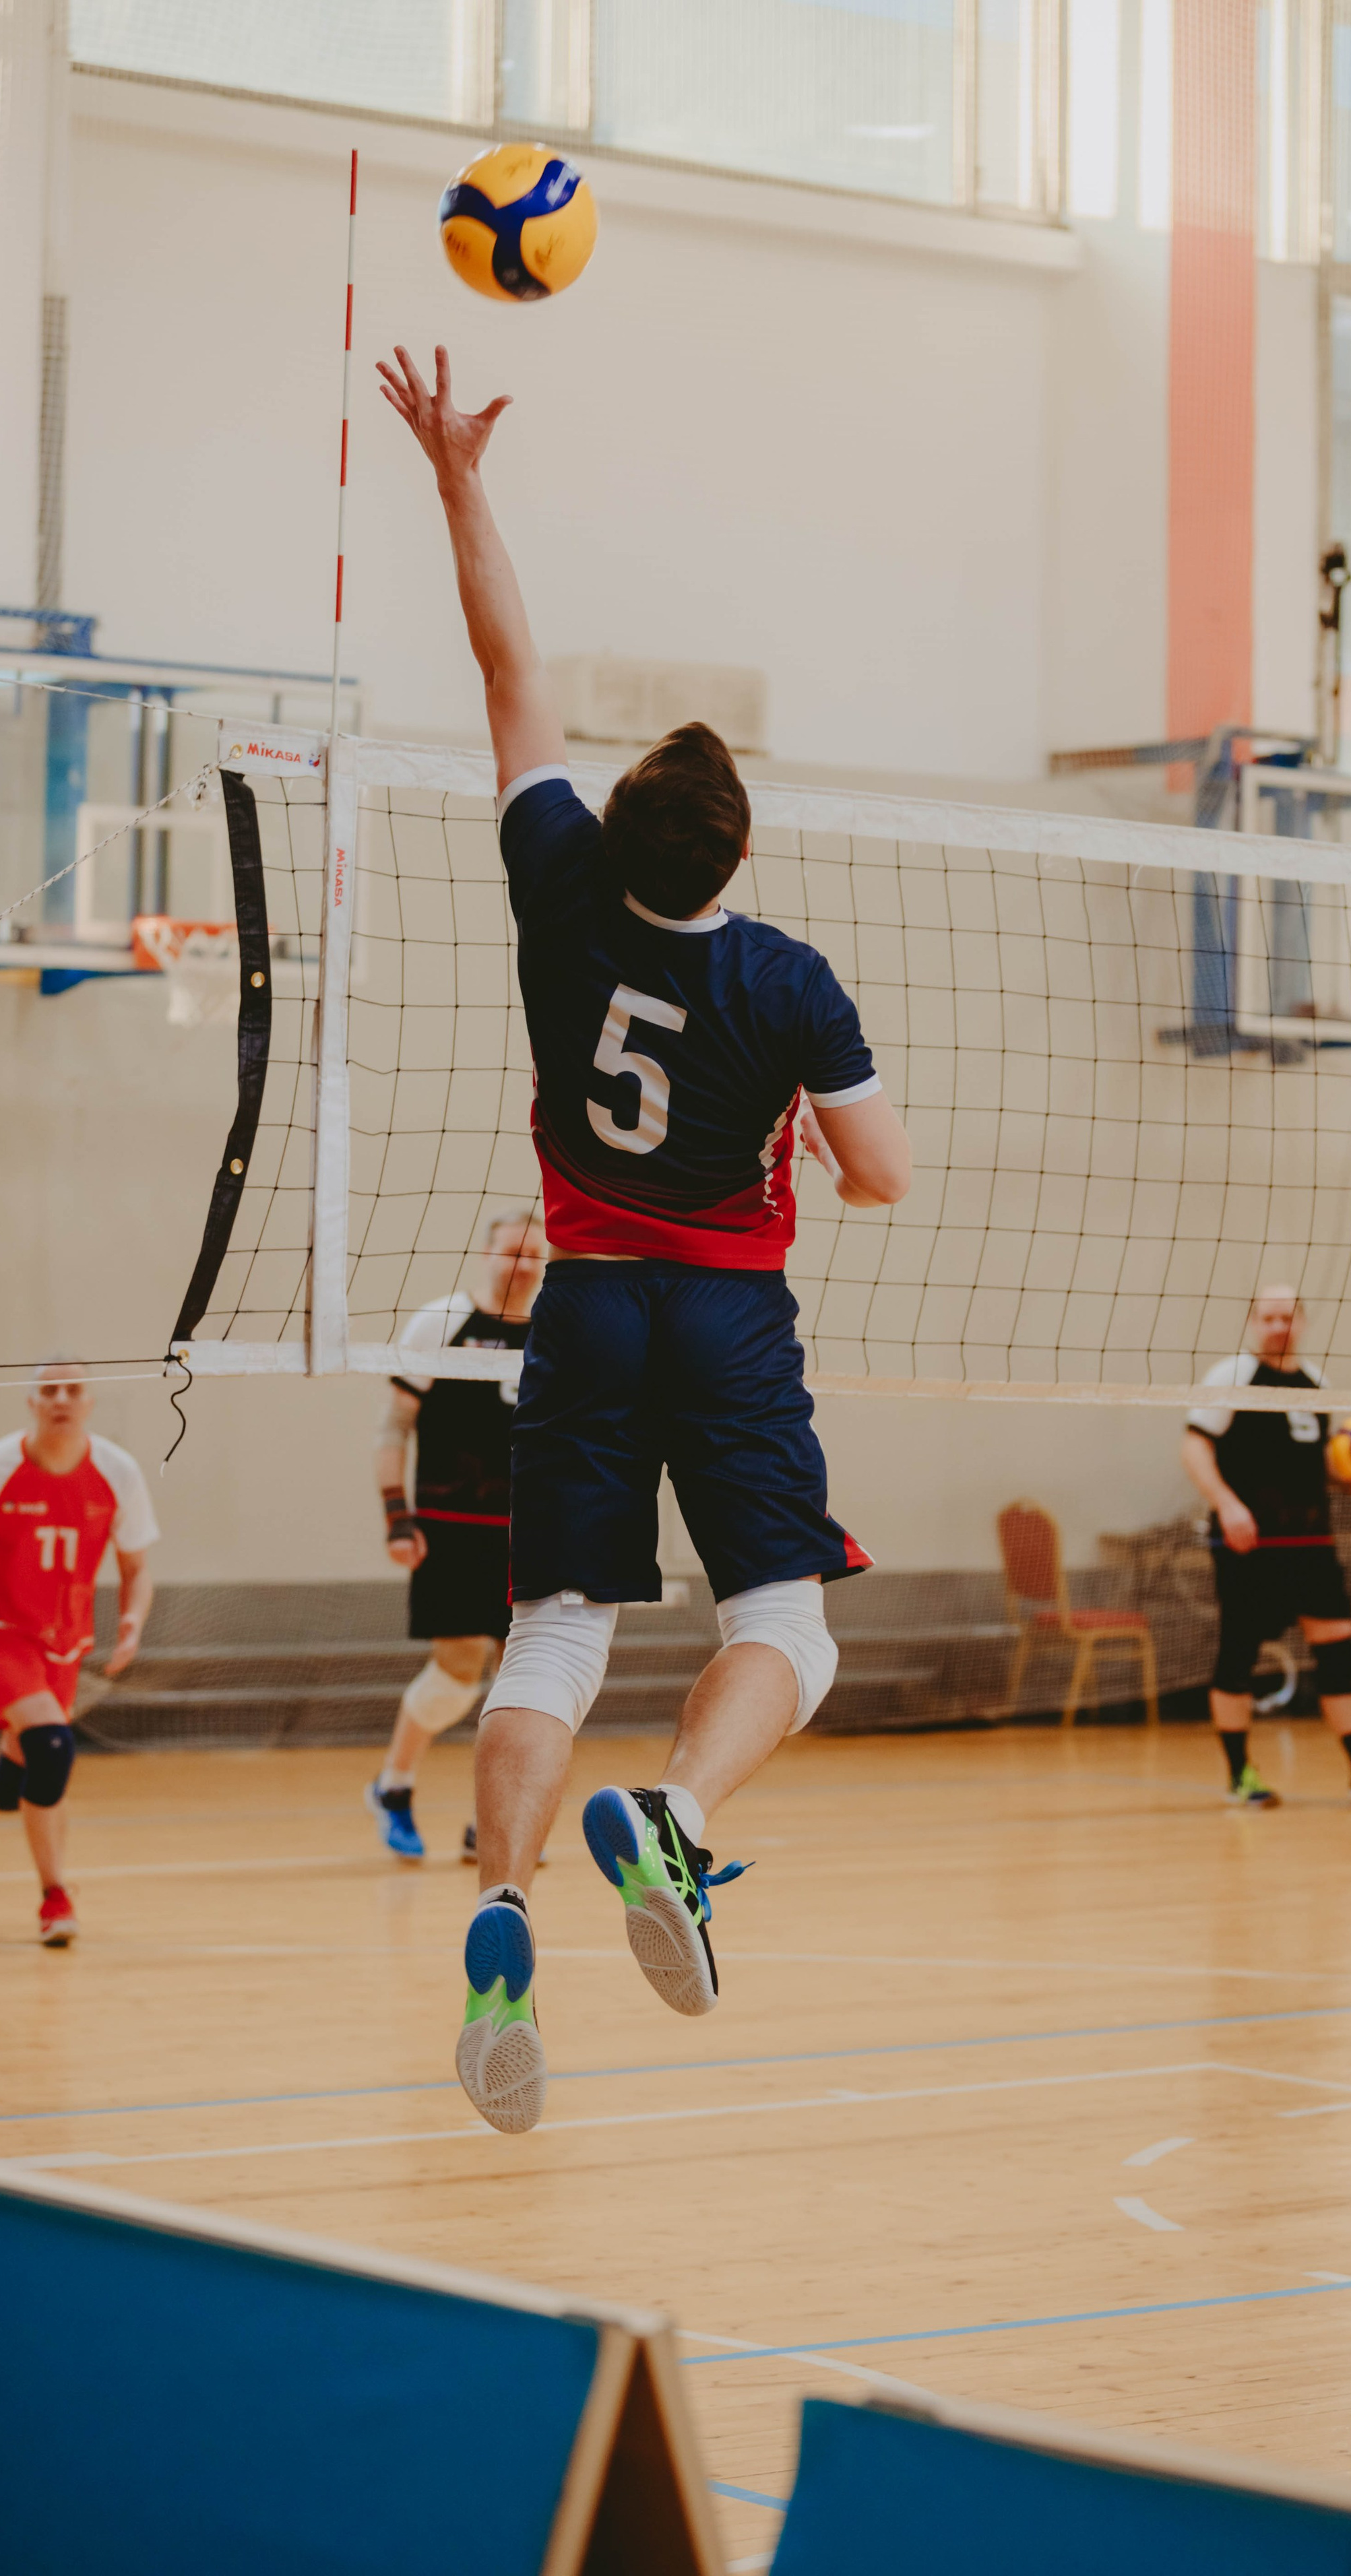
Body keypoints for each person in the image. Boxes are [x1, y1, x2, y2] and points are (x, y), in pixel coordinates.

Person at [377, 343, 912, 2135]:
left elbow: (508, 668)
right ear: (734, 859)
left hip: (587, 1305)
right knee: (786, 1628)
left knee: (552, 1634)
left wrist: (458, 473)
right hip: (731, 1319)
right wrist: (813, 1137)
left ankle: (503, 1906)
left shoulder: (555, 888)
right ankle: (677, 1820)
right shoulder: (788, 981)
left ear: (615, 831)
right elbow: (884, 1176)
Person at [1181, 1288, 1351, 1809]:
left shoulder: (1316, 1383)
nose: (1277, 1326)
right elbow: (1195, 1446)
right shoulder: (1233, 1376)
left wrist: (1349, 1478)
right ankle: (1241, 1774)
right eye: (1268, 1317)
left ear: (1303, 1322)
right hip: (1250, 1542)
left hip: (1311, 1543)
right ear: (1253, 1322)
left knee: (1339, 1654)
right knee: (1238, 1655)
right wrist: (1227, 1504)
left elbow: (1310, 1464)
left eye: (1286, 1317)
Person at [368, 1211, 548, 1862]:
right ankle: (394, 1785)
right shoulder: (442, 1322)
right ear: (486, 1254)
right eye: (511, 1252)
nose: (522, 1265)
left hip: (531, 1528)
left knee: (523, 1680)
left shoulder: (558, 1327)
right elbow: (395, 1426)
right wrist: (397, 1516)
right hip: (452, 1525)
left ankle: (490, 1822)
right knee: (458, 1670)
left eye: (534, 1255)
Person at [0, 1364, 157, 1943]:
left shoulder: (116, 1471)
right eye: (49, 1390)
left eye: (73, 1389)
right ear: (30, 1401)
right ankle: (55, 1898)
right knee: (52, 1748)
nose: (61, 1398)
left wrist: (131, 1621)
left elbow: (136, 1568)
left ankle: (46, 1877)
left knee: (11, 1785)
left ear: (90, 1402)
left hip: (65, 1644)